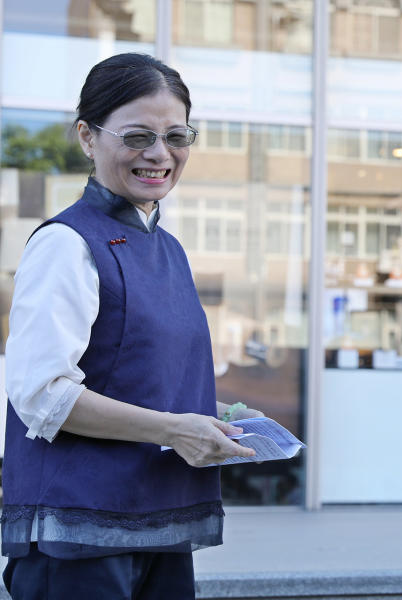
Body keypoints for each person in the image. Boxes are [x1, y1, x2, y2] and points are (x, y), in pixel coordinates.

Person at [1, 53, 261, 599]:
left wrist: (214, 418)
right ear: (87, 138)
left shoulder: (169, 249)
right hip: (78, 536)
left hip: (159, 524)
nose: (159, 154)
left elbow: (133, 379)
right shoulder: (65, 243)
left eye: (176, 135)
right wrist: (173, 429)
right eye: (138, 135)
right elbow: (42, 396)